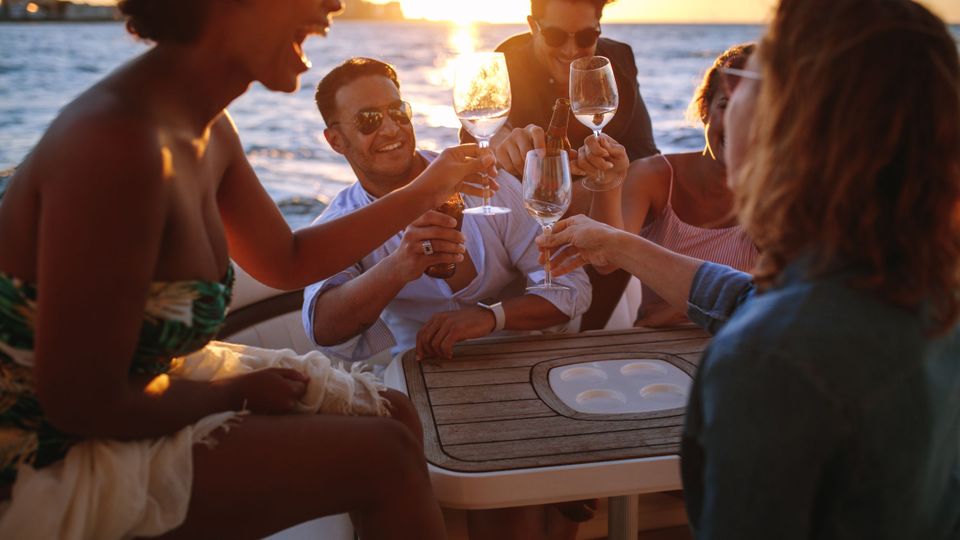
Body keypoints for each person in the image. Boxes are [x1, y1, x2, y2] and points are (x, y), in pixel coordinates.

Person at [0, 1, 498, 538]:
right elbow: (79, 402)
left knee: (394, 412)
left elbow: (287, 261)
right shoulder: (117, 144)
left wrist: (426, 187)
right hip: (44, 446)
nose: (332, 4)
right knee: (386, 455)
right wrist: (229, 395)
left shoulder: (208, 126)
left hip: (134, 389)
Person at [539, 0, 960, 537]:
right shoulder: (923, 284)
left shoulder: (768, 363)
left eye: (759, 80)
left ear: (789, 125)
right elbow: (751, 300)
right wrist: (616, 243)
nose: (732, 101)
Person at [302, 57, 591, 540]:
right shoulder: (340, 223)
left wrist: (490, 317)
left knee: (528, 489)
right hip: (425, 382)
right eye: (370, 120)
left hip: (520, 363)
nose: (392, 128)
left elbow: (573, 286)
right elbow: (325, 328)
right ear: (336, 141)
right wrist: (399, 266)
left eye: (400, 111)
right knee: (512, 495)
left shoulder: (484, 181)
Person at [482, 0, 658, 330]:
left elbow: (645, 157)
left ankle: (591, 340)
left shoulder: (617, 61)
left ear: (600, 28)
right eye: (555, 36)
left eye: (586, 36)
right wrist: (504, 140)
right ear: (533, 25)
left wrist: (602, 179)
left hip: (602, 207)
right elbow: (483, 129)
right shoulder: (507, 60)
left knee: (619, 225)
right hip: (528, 216)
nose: (570, 49)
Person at [584, 44, 758, 328]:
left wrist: (673, 312)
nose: (740, 124)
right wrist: (607, 178)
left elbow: (779, 299)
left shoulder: (779, 195)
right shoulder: (654, 177)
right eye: (727, 105)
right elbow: (604, 261)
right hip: (660, 347)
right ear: (705, 110)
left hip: (740, 342)